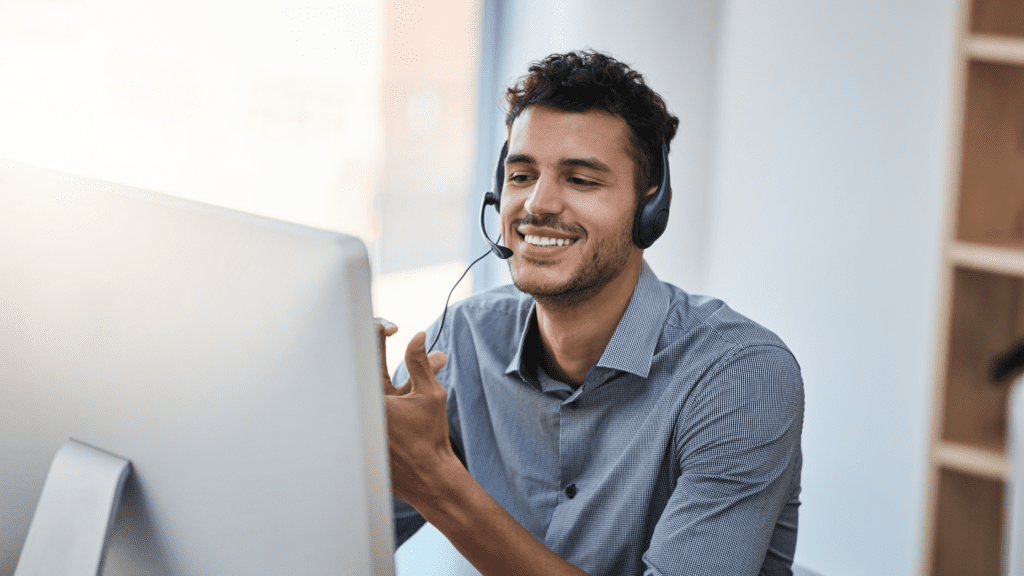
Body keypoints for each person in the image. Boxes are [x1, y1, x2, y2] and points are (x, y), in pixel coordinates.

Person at [378, 50, 804, 576]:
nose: (537, 204)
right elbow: (344, 530)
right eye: (521, 175)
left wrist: (438, 485)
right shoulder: (461, 342)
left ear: (651, 209)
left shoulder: (738, 373)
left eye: (580, 180)